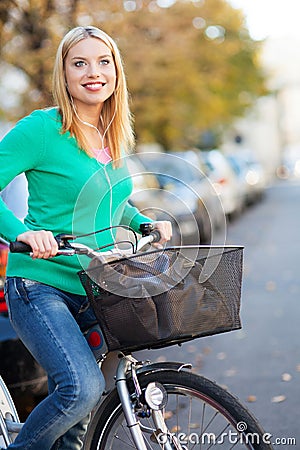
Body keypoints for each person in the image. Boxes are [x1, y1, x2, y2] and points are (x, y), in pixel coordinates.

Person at [0, 25, 172, 450]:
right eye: (80, 63)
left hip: (96, 287)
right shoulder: (42, 129)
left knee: (79, 420)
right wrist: (23, 234)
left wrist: (142, 222)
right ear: (64, 73)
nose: (92, 72)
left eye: (103, 61)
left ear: (116, 71)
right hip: (40, 285)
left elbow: (111, 202)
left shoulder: (111, 134)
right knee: (80, 390)